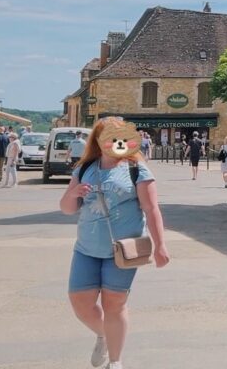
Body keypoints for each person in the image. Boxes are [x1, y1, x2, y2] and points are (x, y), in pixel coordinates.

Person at [59, 117, 169, 369]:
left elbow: (152, 210)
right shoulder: (85, 168)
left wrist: (161, 245)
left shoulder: (136, 169)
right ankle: (105, 335)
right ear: (98, 140)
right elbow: (66, 209)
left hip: (123, 250)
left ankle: (116, 361)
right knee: (81, 303)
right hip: (86, 248)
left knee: (114, 304)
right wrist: (72, 194)